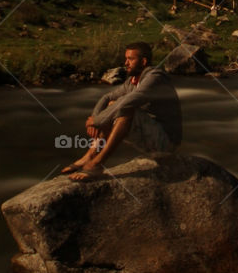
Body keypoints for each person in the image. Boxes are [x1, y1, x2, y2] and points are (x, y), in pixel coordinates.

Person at [60, 41, 182, 180]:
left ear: (143, 61)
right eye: (126, 59)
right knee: (113, 103)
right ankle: (89, 156)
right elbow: (107, 97)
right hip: (151, 135)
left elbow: (130, 101)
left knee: (126, 108)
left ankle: (97, 164)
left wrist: (98, 121)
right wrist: (95, 117)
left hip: (166, 142)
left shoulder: (155, 78)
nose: (126, 63)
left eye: (130, 59)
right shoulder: (132, 81)